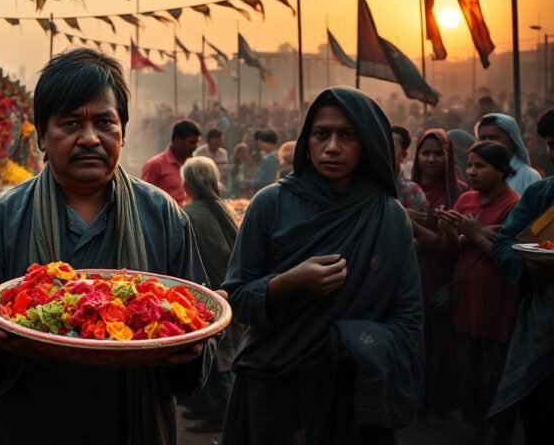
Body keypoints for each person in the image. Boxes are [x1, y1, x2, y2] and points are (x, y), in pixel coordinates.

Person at [0, 48, 212, 445]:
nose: (90, 138)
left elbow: (196, 336)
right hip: (34, 423)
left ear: (122, 130)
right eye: (70, 123)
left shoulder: (163, 216)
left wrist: (194, 346)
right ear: (41, 135)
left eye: (104, 122)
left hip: (135, 425)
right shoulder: (4, 218)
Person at [221, 86, 422, 444]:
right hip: (273, 390)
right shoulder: (270, 204)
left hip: (352, 396)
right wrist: (287, 283)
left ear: (369, 143)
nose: (332, 147)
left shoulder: (389, 216)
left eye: (348, 135)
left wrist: (356, 340)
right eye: (321, 134)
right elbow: (235, 299)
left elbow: (407, 318)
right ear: (306, 141)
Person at [435, 142, 520, 444]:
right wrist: (452, 231)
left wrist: (471, 233)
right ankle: (476, 426)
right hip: (466, 304)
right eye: (469, 165)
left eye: (480, 166)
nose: (471, 171)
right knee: (465, 371)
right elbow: (450, 252)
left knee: (493, 374)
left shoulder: (514, 205)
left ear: (500, 170)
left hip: (497, 307)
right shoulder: (467, 200)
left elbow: (509, 258)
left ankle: (498, 430)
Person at [486, 108, 554, 444]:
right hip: (540, 329)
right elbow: (504, 244)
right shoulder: (541, 195)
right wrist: (530, 263)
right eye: (553, 144)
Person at [179, 157, 240, 434]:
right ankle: (212, 410)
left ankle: (222, 416)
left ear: (186, 184)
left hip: (212, 295)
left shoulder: (190, 215)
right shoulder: (221, 209)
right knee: (221, 356)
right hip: (230, 291)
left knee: (219, 361)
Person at [411, 129, 466, 420]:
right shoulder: (407, 191)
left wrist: (452, 287)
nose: (431, 159)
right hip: (410, 281)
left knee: (441, 347)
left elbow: (457, 250)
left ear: (448, 156)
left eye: (437, 153)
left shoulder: (460, 194)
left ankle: (439, 406)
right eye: (425, 153)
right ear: (417, 156)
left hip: (444, 281)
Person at [476, 113, 541, 195]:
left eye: (493, 138)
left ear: (511, 141)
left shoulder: (528, 176)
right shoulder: (476, 174)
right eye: (482, 138)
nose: (487, 142)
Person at [141, 118, 201, 206]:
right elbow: (142, 197)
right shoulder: (155, 164)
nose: (195, 147)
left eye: (197, 142)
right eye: (191, 142)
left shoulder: (193, 164)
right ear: (177, 140)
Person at [391, 125, 429, 213]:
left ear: (403, 156)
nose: (385, 151)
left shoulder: (412, 192)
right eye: (382, 146)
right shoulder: (364, 185)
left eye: (392, 148)